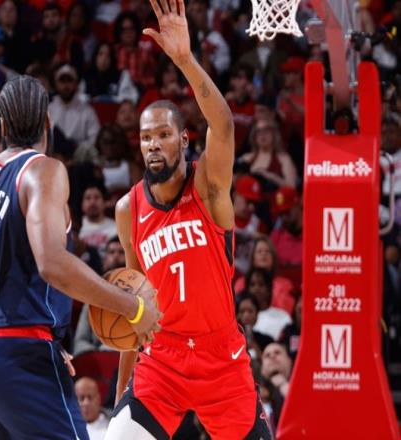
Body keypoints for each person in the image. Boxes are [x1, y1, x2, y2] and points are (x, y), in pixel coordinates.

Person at [0, 75, 161, 440]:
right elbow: (51, 263)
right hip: (18, 354)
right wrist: (132, 307)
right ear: (48, 122)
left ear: (2, 126)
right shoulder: (42, 170)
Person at [105, 1, 271, 438]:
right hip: (162, 360)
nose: (153, 144)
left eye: (163, 134)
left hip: (222, 359)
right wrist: (121, 395)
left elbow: (225, 125)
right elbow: (135, 302)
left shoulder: (208, 187)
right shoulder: (128, 209)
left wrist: (184, 60)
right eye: (145, 137)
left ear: (183, 139)